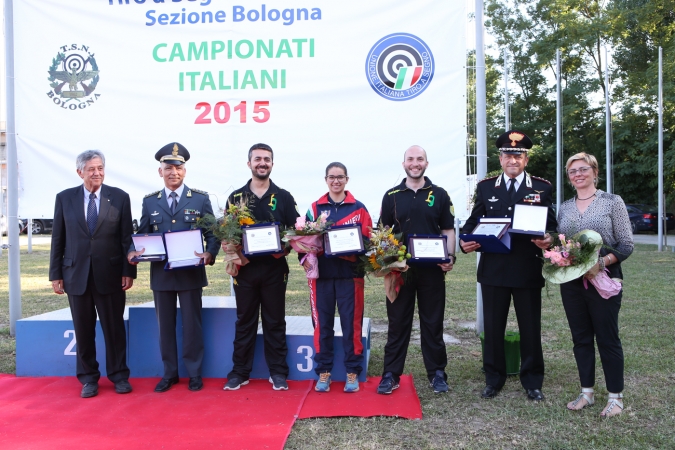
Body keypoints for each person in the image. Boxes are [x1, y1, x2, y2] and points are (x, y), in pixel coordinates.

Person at [460, 130, 556, 401]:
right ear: (500, 158)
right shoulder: (487, 187)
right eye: (507, 155)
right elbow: (473, 221)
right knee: (492, 328)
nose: (512, 160)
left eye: (518, 155)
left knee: (530, 327)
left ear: (525, 159)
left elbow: (552, 225)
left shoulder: (542, 187)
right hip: (494, 269)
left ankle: (532, 380)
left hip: (527, 268)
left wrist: (548, 239)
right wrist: (466, 241)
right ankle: (494, 378)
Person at [128, 142, 219, 393]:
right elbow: (142, 234)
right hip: (162, 274)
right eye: (168, 168)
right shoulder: (150, 203)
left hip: (191, 272)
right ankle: (169, 373)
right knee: (164, 327)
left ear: (185, 171)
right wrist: (132, 252)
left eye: (178, 168)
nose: (173, 172)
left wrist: (210, 253)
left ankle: (194, 373)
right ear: (160, 172)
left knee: (192, 325)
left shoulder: (200, 199)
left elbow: (213, 234)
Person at [49, 150, 136, 398]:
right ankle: (88, 378)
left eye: (100, 168)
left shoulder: (119, 197)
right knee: (83, 330)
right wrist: (56, 274)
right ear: (80, 172)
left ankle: (119, 375)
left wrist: (128, 271)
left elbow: (125, 239)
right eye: (91, 169)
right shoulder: (65, 198)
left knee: (114, 329)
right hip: (75, 275)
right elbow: (58, 239)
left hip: (110, 274)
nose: (97, 173)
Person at [557, 152, 633, 417]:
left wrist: (600, 264)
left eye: (583, 169)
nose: (578, 174)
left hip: (603, 279)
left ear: (594, 171)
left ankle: (615, 397)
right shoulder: (564, 207)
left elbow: (626, 244)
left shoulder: (612, 202)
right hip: (571, 283)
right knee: (580, 338)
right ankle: (586, 392)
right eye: (572, 171)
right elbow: (562, 243)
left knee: (607, 337)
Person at [377, 145, 456, 395]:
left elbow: (448, 230)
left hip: (432, 271)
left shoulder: (440, 194)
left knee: (432, 322)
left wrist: (450, 256)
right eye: (410, 159)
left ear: (426, 163)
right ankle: (391, 374)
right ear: (404, 164)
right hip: (400, 272)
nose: (415, 163)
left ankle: (437, 373)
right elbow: (383, 233)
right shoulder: (391, 195)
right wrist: (386, 260)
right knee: (397, 323)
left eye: (419, 159)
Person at [223, 143, 299, 391]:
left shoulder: (284, 197)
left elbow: (295, 233)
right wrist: (230, 247)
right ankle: (239, 371)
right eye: (257, 159)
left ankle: (278, 372)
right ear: (249, 164)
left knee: (274, 321)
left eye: (267, 159)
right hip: (245, 270)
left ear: (272, 164)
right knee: (244, 320)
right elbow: (226, 232)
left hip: (275, 269)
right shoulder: (235, 198)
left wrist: (284, 249)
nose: (262, 163)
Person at [303, 162, 373, 393]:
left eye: (340, 177)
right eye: (332, 177)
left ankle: (352, 371)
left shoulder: (359, 208)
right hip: (321, 277)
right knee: (322, 326)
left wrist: (356, 248)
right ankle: (324, 371)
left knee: (351, 326)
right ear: (326, 179)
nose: (336, 181)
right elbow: (303, 243)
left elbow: (369, 241)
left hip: (350, 277)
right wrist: (307, 255)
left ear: (347, 179)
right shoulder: (314, 208)